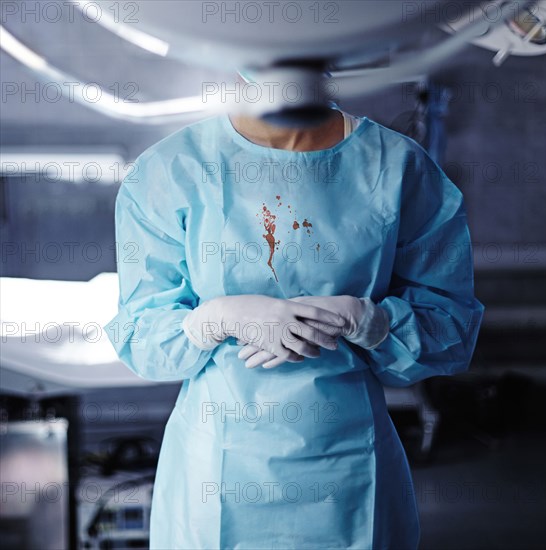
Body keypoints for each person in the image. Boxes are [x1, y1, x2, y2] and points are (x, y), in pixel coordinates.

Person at [105, 102, 484, 549]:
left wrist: (370, 321)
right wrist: (212, 320)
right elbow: (142, 332)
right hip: (219, 468)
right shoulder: (173, 169)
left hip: (348, 466)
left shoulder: (395, 166)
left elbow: (451, 326)